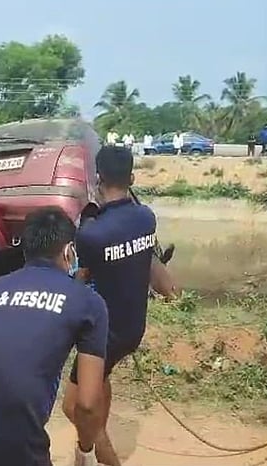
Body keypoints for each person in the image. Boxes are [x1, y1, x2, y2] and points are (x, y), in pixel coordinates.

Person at [0, 207, 109, 466]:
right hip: (15, 432)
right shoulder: (87, 302)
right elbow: (86, 404)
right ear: (68, 251)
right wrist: (85, 452)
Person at [62, 145, 158, 466]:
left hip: (104, 333)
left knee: (74, 406)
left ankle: (102, 456)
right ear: (131, 177)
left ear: (98, 178)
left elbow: (79, 280)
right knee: (99, 383)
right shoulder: (146, 217)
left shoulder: (92, 232)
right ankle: (94, 453)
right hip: (134, 327)